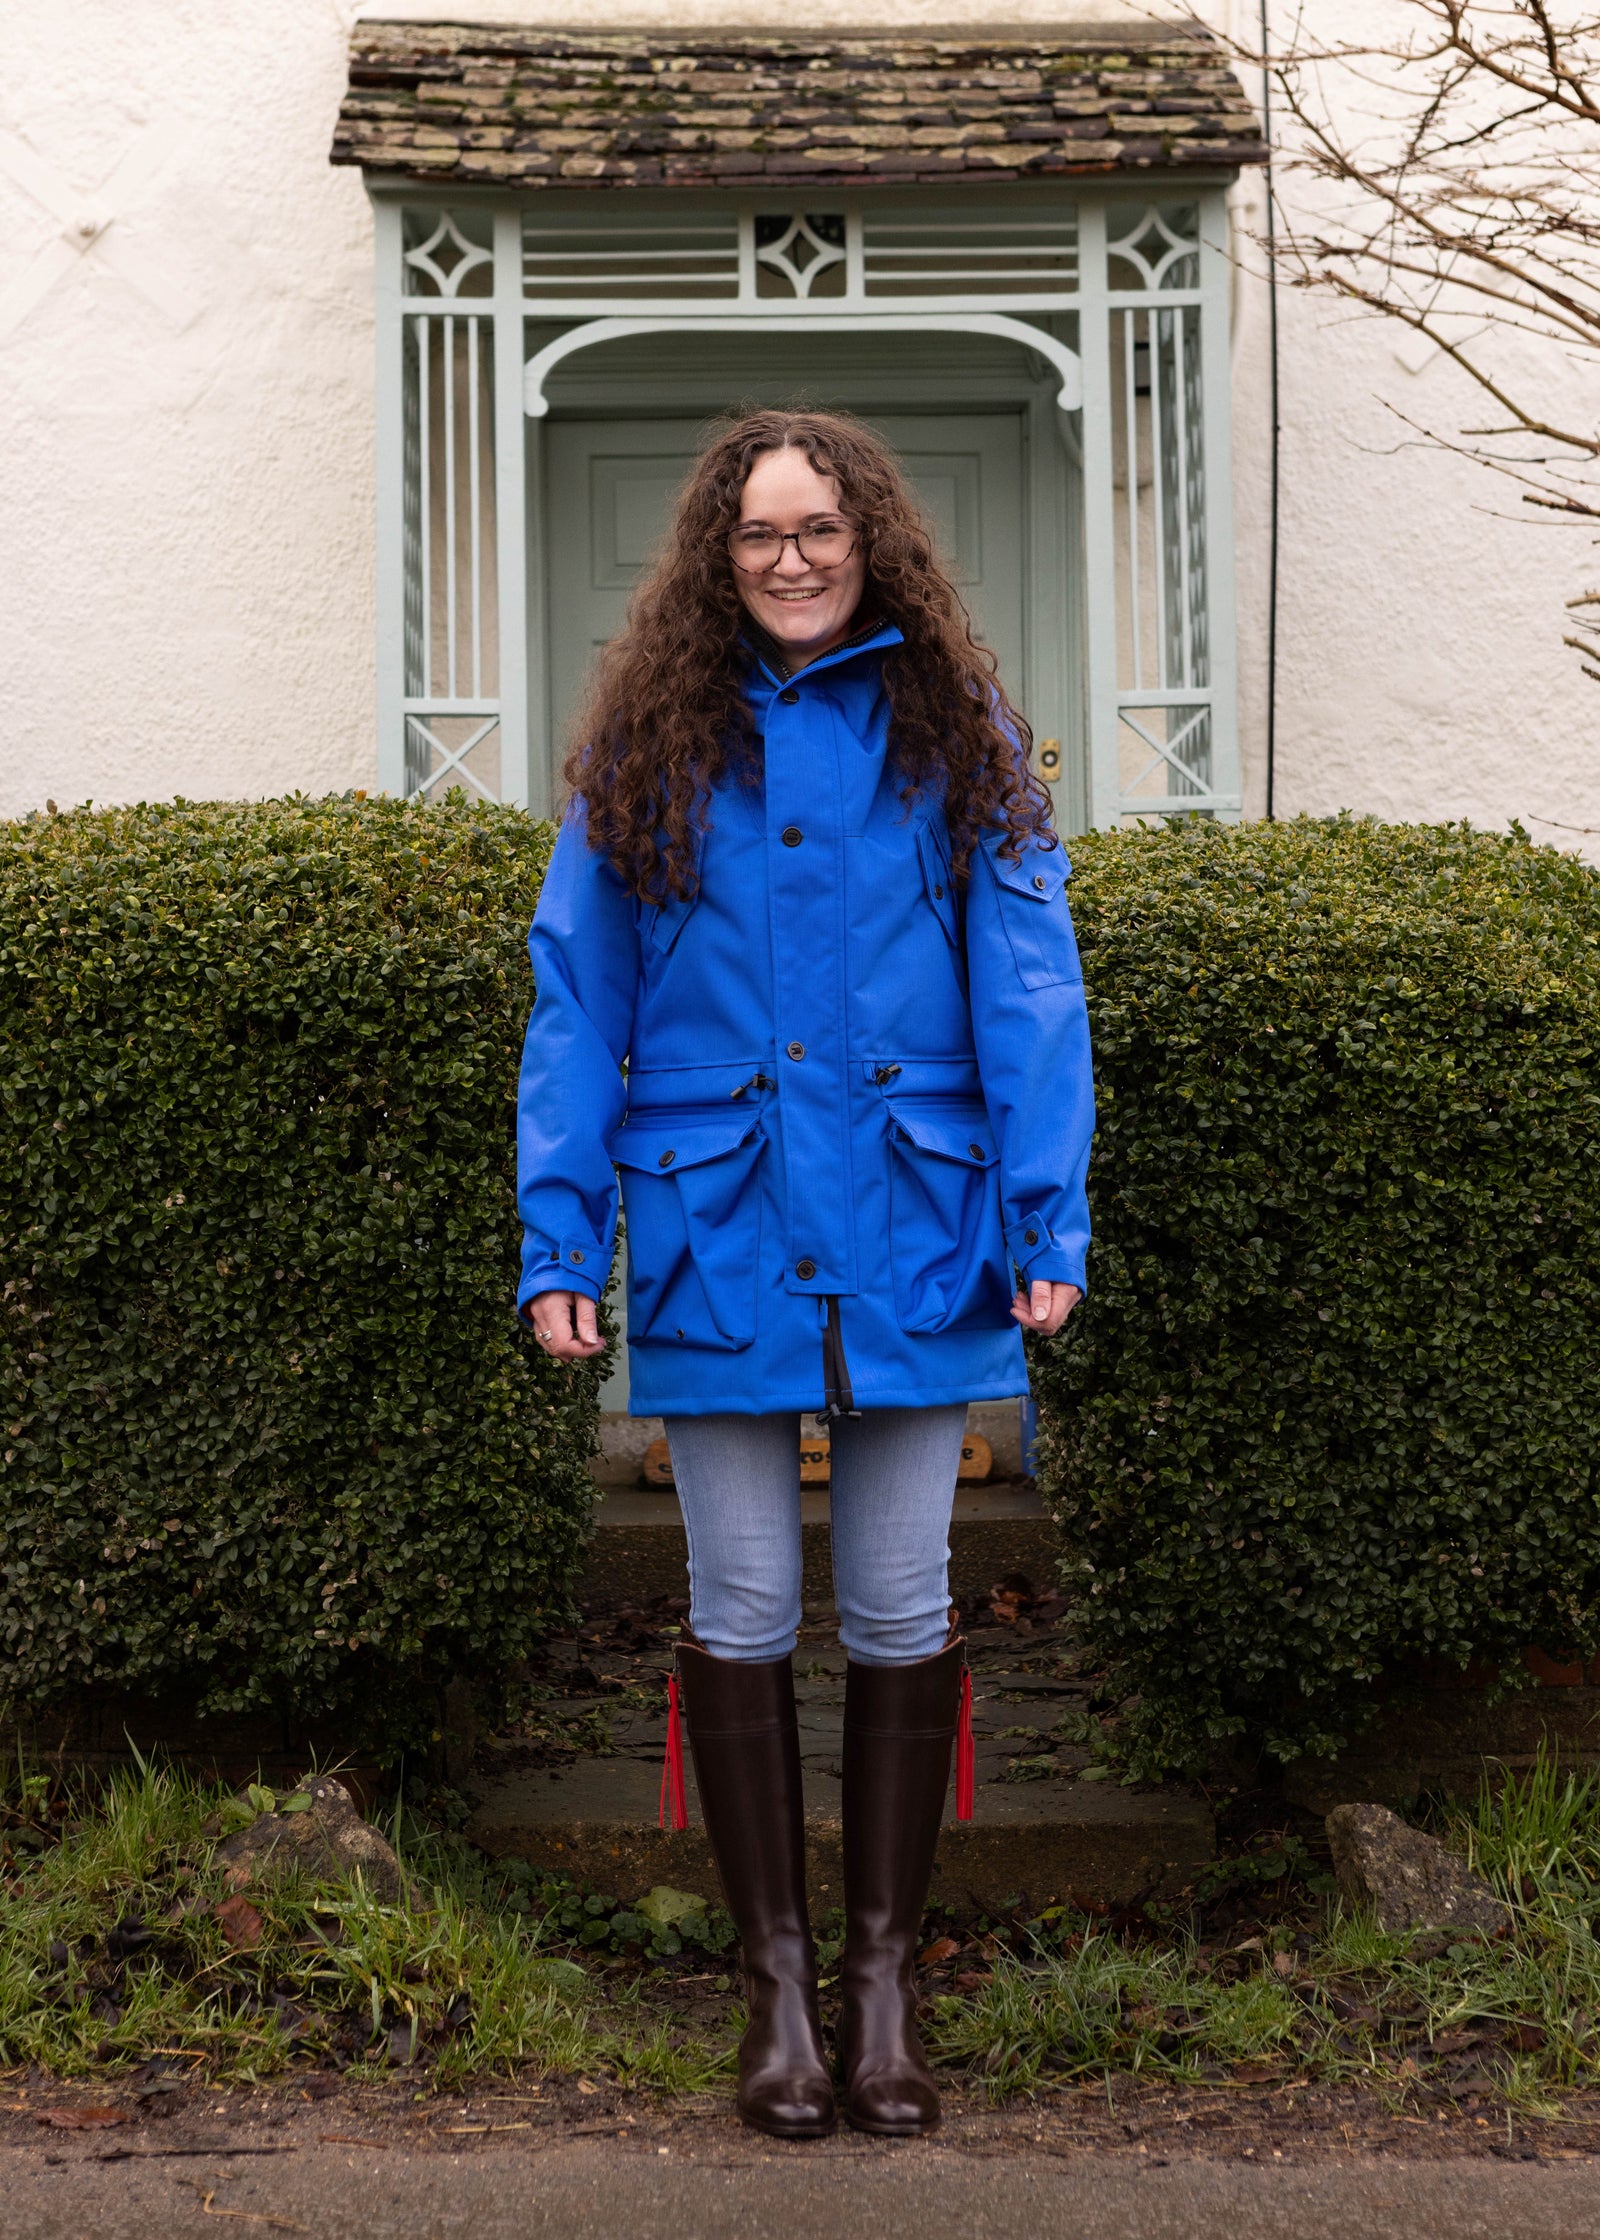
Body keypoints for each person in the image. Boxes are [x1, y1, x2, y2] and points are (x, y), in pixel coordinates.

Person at [516, 409, 1093, 2141]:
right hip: (719, 1221)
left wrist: (1046, 1220)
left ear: (871, 542)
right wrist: (561, 1235)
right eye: (761, 532)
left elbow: (1030, 982)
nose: (791, 559)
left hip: (919, 1217)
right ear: (719, 552)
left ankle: (885, 1992)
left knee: (906, 1604)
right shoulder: (647, 743)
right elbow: (578, 1002)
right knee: (744, 1602)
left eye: (820, 530)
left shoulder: (956, 726)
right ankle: (776, 1993)